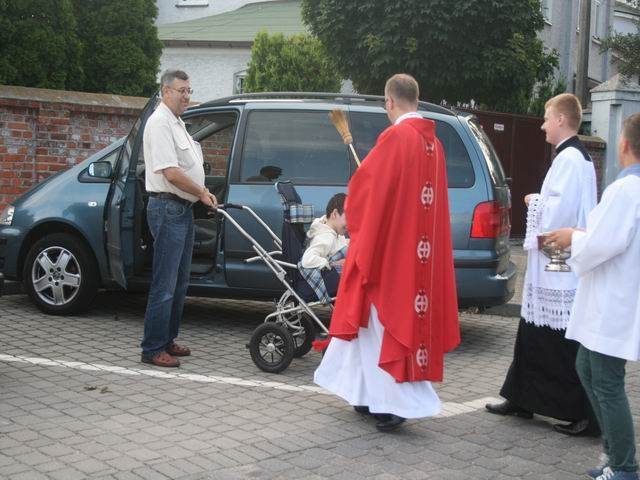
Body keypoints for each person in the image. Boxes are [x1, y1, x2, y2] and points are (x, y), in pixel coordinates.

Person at [314, 73, 460, 432]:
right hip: (417, 259)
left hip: (391, 257)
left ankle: (392, 405)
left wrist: (357, 198)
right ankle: (364, 395)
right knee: (369, 331)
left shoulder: (396, 137)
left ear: (390, 102)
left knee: (382, 329)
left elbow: (365, 194)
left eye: (385, 104)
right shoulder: (433, 146)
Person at [485, 93, 599, 436]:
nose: (544, 125)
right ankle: (522, 397)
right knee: (535, 324)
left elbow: (559, 213)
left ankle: (580, 410)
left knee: (557, 330)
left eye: (548, 118)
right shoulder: (573, 156)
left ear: (562, 120)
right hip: (555, 252)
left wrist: (533, 201)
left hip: (558, 254)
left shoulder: (569, 159)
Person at [546, 113, 640, 480]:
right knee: (587, 368)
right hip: (614, 295)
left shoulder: (626, 189)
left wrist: (573, 236)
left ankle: (624, 466)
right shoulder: (628, 188)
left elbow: (604, 242)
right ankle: (616, 452)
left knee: (605, 380)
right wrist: (584, 234)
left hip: (613, 301)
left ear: (623, 144)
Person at [140, 69, 217, 368]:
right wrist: (200, 192)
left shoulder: (177, 123)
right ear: (165, 91)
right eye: (181, 90)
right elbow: (170, 172)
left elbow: (187, 166)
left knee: (180, 281)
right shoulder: (159, 123)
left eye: (189, 90)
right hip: (167, 209)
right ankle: (152, 348)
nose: (187, 95)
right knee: (165, 283)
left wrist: (202, 190)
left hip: (181, 210)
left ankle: (166, 339)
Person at [297, 193, 349, 304]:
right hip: (325, 279)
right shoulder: (325, 238)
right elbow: (307, 260)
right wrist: (329, 263)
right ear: (335, 214)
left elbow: (339, 245)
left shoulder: (332, 228)